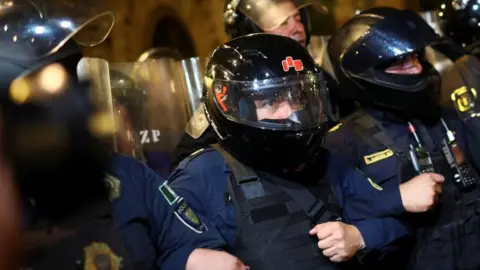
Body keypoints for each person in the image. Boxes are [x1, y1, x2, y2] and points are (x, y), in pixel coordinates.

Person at [167, 33, 442, 269]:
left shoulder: (323, 160)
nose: (293, 114)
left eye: (298, 97)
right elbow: (160, 251)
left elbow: (397, 227)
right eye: (272, 101)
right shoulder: (202, 175)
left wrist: (359, 237)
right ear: (231, 105)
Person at [326, 7, 480, 269]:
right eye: (400, 63)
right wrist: (396, 198)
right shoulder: (344, 141)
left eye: (416, 57)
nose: (417, 68)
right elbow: (334, 224)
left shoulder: (449, 117)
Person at [171, 0, 344, 169]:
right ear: (250, 30)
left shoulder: (317, 78)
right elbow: (184, 160)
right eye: (283, 22)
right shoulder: (235, 92)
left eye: (298, 19)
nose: (297, 28)